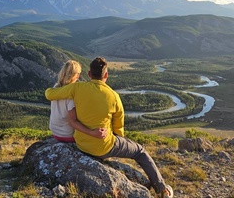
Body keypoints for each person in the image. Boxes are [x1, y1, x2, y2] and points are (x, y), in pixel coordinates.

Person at [45, 57, 173, 198]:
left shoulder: (77, 88)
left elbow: (49, 94)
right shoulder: (114, 96)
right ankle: (162, 189)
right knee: (140, 152)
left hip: (82, 145)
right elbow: (118, 128)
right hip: (104, 146)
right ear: (106, 75)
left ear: (89, 74)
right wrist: (119, 142)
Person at [49, 60, 107, 142]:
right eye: (78, 74)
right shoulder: (71, 95)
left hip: (55, 132)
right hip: (67, 135)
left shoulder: (55, 88)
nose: (79, 76)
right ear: (75, 76)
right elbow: (72, 121)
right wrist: (92, 132)